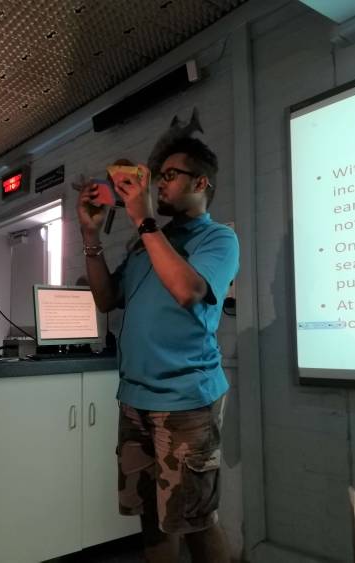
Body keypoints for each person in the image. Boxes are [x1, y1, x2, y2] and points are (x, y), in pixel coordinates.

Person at [76, 136, 239, 563]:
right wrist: (90, 235)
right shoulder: (147, 243)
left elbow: (188, 290)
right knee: (150, 516)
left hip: (186, 402)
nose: (159, 184)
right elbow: (106, 298)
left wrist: (144, 221)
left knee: (196, 520)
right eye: (158, 176)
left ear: (200, 183)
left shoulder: (218, 239)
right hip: (135, 400)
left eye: (170, 175)